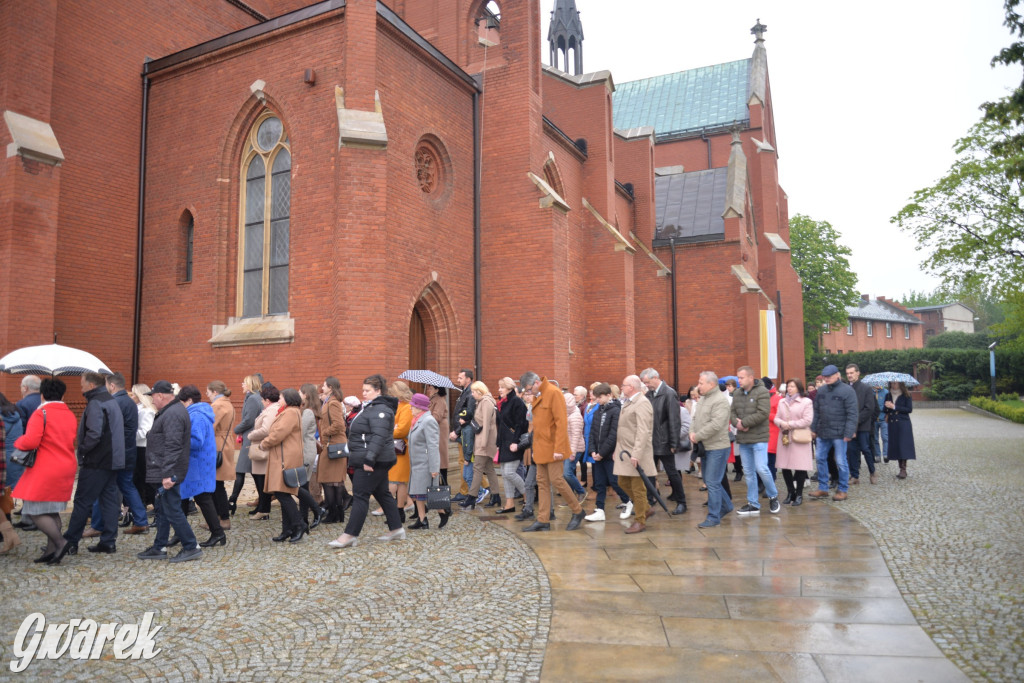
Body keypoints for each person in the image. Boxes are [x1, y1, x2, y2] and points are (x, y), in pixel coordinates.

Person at [329, 374, 403, 548]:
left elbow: (379, 436)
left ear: (378, 391)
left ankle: (350, 535)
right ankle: (397, 528)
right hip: (370, 456)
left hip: (372, 459)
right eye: (363, 390)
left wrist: (369, 459)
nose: (363, 393)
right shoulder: (372, 407)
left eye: (367, 390)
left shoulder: (380, 409)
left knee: (361, 495)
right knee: (383, 493)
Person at [9, 379, 78, 562]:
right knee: (52, 510)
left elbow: (31, 441)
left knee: (35, 509)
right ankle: (51, 551)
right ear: (62, 395)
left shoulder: (41, 413)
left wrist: (17, 442)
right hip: (66, 464)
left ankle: (60, 543)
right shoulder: (69, 414)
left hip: (46, 467)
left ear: (42, 395)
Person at [137, 380, 202, 563]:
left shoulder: (173, 413)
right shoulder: (171, 411)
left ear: (160, 396)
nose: (152, 401)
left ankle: (191, 546)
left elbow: (173, 446)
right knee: (164, 509)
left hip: (168, 471)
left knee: (172, 509)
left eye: (153, 397)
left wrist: (168, 474)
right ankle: (160, 546)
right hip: (164, 469)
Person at [62, 371, 126, 557]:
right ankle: (108, 541)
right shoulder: (110, 400)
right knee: (108, 502)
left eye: (82, 383)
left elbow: (94, 433)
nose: (80, 386)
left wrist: (82, 449)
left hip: (97, 460)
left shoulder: (97, 402)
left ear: (91, 385)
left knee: (82, 501)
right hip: (111, 460)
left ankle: (70, 542)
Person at [83, 372, 147, 539]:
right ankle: (140, 520)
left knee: (102, 487)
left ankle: (97, 525)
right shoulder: (131, 402)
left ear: (111, 386)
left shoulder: (114, 402)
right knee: (127, 486)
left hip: (115, 453)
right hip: (129, 451)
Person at [519, 371, 585, 532]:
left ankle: (578, 511)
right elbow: (537, 427)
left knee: (557, 480)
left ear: (535, 382)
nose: (528, 393)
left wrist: (559, 449)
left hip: (554, 447)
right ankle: (543, 520)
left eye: (528, 389)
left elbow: (561, 422)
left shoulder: (553, 392)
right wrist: (534, 449)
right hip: (541, 447)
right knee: (541, 482)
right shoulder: (539, 395)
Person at [177, 385, 223, 547]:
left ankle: (218, 533)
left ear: (189, 400)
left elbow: (196, 441)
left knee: (202, 498)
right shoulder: (198, 413)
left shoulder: (196, 415)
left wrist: (178, 439)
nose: (181, 405)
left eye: (182, 402)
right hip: (197, 462)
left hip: (198, 463)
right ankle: (179, 532)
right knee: (183, 497)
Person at [258, 388, 307, 542]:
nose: (279, 399)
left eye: (281, 397)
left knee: (282, 493)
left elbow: (279, 433)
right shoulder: (290, 411)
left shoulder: (291, 412)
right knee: (282, 492)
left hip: (285, 456)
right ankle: (288, 529)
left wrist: (264, 444)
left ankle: (299, 524)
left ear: (288, 398)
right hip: (283, 455)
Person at [730, 366, 780, 515]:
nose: (739, 380)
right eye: (738, 377)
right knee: (749, 472)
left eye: (741, 377)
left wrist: (744, 423)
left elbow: (763, 413)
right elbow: (732, 412)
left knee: (761, 468)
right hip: (744, 439)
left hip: (759, 438)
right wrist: (736, 423)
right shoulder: (737, 393)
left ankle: (773, 495)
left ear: (751, 377)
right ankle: (753, 503)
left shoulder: (762, 391)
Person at [639, 368, 686, 515]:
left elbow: (674, 420)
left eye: (647, 382)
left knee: (672, 473)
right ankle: (649, 500)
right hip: (651, 441)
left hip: (664, 441)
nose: (647, 385)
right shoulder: (649, 394)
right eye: (644, 383)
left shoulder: (669, 393)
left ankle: (681, 502)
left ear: (655, 378)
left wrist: (674, 443)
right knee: (649, 473)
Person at [612, 375, 656, 534]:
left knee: (638, 488)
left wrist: (636, 454)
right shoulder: (629, 402)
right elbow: (623, 429)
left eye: (623, 385)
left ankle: (640, 520)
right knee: (622, 482)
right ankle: (645, 508)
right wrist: (616, 451)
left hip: (637, 452)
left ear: (631, 387)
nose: (621, 388)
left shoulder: (642, 403)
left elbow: (643, 431)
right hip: (624, 451)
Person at [690, 371, 733, 528]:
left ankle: (713, 517)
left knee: (713, 482)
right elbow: (694, 418)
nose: (698, 385)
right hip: (705, 446)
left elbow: (716, 424)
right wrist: (692, 433)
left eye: (701, 383)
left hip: (718, 447)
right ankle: (727, 505)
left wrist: (698, 435)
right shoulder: (703, 399)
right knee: (709, 480)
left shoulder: (720, 401)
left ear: (712, 384)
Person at [809, 365, 857, 502]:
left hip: (840, 433)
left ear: (837, 375)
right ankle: (823, 488)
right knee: (820, 458)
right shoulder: (822, 390)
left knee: (841, 462)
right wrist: (813, 429)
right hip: (823, 432)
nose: (826, 379)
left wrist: (849, 432)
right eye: (824, 377)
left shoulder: (848, 391)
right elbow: (816, 410)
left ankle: (842, 489)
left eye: (829, 376)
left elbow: (852, 413)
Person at [584, 383, 632, 522]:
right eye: (596, 397)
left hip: (609, 454)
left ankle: (628, 502)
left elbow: (613, 434)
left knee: (614, 481)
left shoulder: (616, 410)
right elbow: (593, 432)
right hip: (598, 453)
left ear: (609, 395)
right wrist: (593, 450)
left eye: (600, 397)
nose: (597, 400)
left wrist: (602, 452)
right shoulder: (598, 410)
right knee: (599, 482)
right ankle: (600, 509)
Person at [407, 392, 444, 529]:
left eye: (413, 406)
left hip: (425, 462)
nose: (411, 408)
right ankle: (422, 520)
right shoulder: (416, 420)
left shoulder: (428, 420)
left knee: (424, 493)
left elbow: (433, 445)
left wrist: (434, 467)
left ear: (419, 407)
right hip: (416, 462)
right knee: (418, 492)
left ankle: (443, 511)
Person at [774, 379, 814, 505]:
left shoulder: (806, 402)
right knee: (785, 466)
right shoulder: (782, 401)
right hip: (785, 436)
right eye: (788, 386)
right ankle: (790, 492)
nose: (789, 389)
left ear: (799, 387)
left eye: (792, 386)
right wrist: (781, 423)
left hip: (799, 436)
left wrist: (789, 424)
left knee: (800, 466)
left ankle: (799, 494)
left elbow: (807, 420)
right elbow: (776, 417)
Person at [245, 383, 282, 519]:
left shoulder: (271, 410)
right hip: (262, 449)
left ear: (267, 400)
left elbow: (266, 430)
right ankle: (262, 508)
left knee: (262, 482)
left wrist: (251, 435)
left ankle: (264, 510)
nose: (261, 401)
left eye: (262, 399)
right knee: (260, 480)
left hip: (263, 449)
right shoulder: (270, 409)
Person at [461, 381, 499, 509]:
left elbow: (487, 424)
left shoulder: (486, 402)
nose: (472, 394)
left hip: (485, 441)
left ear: (479, 391)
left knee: (477, 468)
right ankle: (496, 495)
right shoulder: (483, 402)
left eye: (473, 392)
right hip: (484, 440)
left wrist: (483, 443)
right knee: (489, 469)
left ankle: (472, 497)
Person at [228, 374, 263, 515]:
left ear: (250, 385)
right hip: (250, 439)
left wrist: (236, 429)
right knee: (255, 474)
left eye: (244, 383)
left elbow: (249, 420)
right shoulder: (254, 397)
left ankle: (232, 501)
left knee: (241, 471)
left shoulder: (253, 399)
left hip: (250, 440)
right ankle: (261, 505)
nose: (242, 385)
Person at [318, 377, 350, 525]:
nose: (322, 388)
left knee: (332, 480)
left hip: (334, 445)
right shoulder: (329, 402)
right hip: (331, 444)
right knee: (330, 481)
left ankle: (335, 513)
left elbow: (339, 425)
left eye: (324, 385)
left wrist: (325, 433)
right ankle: (335, 513)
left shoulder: (333, 403)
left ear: (330, 387)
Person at [495, 377, 528, 514]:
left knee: (509, 472)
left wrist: (515, 442)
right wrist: (498, 443)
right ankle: (509, 504)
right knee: (505, 473)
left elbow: (521, 424)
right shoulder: (504, 402)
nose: (499, 390)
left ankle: (528, 496)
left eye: (501, 387)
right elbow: (501, 425)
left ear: (509, 388)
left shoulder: (516, 402)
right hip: (504, 443)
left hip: (513, 443)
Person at [207, 380, 236, 529]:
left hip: (218, 444)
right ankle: (218, 517)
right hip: (225, 442)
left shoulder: (218, 405)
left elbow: (210, 426)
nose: (207, 395)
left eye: (208, 392)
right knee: (217, 484)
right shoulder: (227, 403)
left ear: (214, 392)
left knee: (216, 484)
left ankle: (223, 518)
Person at [845, 364, 879, 485]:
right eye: (847, 373)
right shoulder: (845, 389)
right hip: (849, 426)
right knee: (851, 451)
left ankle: (872, 471)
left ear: (858, 373)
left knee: (865, 449)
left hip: (863, 425)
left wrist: (856, 420)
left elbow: (869, 408)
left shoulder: (866, 388)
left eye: (852, 373)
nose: (849, 375)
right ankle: (854, 476)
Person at [449, 369, 477, 503]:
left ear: (468, 379)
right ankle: (480, 488)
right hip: (462, 433)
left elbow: (468, 415)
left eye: (460, 378)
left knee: (465, 462)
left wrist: (457, 431)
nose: (458, 380)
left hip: (465, 434)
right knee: (465, 462)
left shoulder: (470, 393)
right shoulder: (464, 392)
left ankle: (466, 491)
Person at [297, 383, 323, 529]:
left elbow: (300, 431)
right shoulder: (307, 410)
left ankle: (316, 510)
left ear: (305, 395)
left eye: (300, 392)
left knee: (302, 485)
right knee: (303, 485)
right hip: (307, 450)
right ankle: (304, 518)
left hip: (306, 452)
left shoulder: (307, 412)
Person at [388, 381, 414, 520]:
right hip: (396, 447)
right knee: (398, 481)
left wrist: (388, 431)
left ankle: (397, 511)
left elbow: (402, 429)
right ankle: (398, 511)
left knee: (397, 481)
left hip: (401, 449)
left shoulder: (407, 407)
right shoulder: (400, 406)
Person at [131, 383, 157, 516]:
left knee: (143, 479)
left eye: (134, 393)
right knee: (139, 479)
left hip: (143, 448)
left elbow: (145, 432)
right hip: (139, 447)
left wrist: (129, 435)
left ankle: (151, 505)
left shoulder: (146, 411)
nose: (132, 396)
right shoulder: (140, 409)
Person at [560, 390, 588, 505]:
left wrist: (572, 452)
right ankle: (570, 498)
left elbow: (576, 436)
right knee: (566, 474)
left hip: (575, 449)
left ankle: (581, 492)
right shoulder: (566, 414)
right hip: (566, 448)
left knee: (567, 473)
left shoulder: (575, 416)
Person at [884, 382, 916, 479]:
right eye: (892, 383)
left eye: (896, 383)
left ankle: (903, 469)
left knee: (903, 445)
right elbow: (885, 410)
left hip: (903, 422)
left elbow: (909, 409)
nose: (894, 385)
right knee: (896, 445)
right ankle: (900, 468)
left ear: (900, 384)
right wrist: (886, 407)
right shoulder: (888, 395)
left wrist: (894, 407)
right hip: (892, 422)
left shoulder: (906, 394)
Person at [1, 391, 25, 507]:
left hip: (3, 458)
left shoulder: (2, 418)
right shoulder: (14, 413)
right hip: (16, 457)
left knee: (3, 492)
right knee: (7, 491)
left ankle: (5, 521)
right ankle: (7, 518)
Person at [426, 385, 449, 486]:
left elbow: (437, 417)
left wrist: (425, 416)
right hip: (434, 428)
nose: (429, 390)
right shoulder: (433, 399)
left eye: (431, 388)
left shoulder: (439, 400)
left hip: (439, 428)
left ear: (437, 389)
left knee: (441, 454)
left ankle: (443, 483)